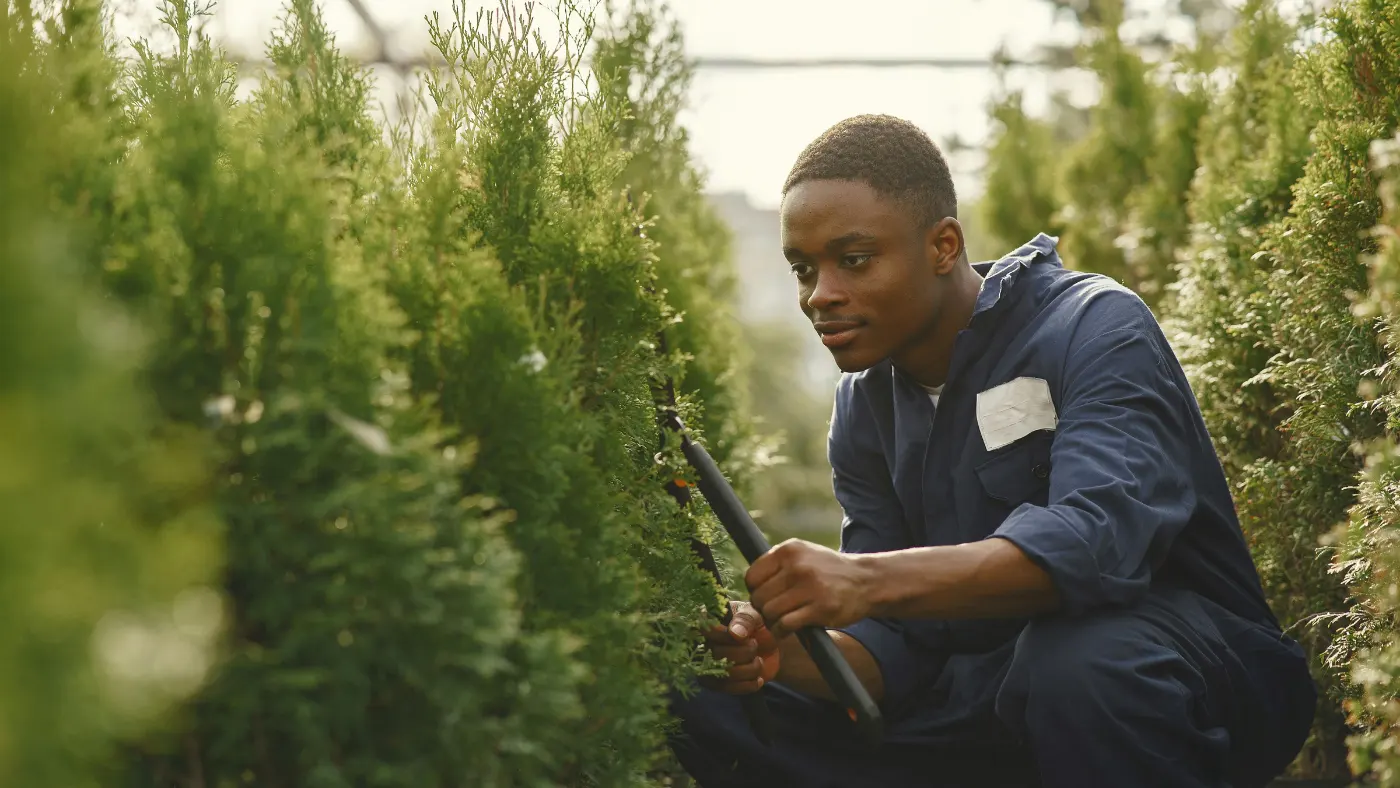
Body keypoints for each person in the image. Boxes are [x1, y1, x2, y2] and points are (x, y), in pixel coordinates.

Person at [669, 114, 1318, 788]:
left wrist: (862, 581)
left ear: (943, 245)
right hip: (985, 705)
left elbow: (1096, 543)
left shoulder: (1094, 326)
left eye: (853, 260)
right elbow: (894, 644)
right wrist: (791, 654)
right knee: (708, 693)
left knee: (1075, 661)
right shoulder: (865, 408)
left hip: (1178, 678)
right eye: (804, 269)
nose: (820, 295)